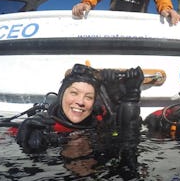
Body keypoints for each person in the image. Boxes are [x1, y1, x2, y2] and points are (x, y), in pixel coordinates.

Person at [15, 63, 144, 155]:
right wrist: (23, 140)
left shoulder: (99, 120)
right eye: (74, 93)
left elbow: (129, 134)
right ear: (61, 95)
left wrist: (130, 96)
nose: (80, 102)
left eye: (88, 97)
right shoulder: (40, 126)